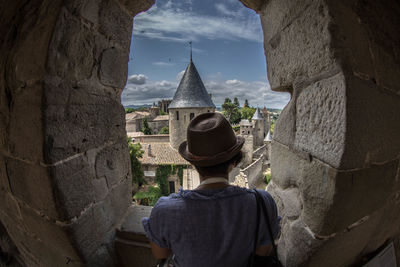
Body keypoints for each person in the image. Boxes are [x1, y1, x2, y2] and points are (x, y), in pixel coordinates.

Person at [142, 112, 280, 267]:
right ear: (233, 163)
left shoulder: (164, 210)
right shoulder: (262, 203)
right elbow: (263, 252)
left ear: (193, 164)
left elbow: (160, 254)